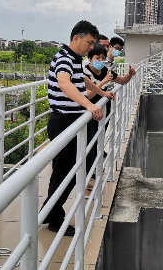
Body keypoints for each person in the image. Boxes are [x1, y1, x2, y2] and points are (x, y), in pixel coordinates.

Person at [41, 21, 114, 236]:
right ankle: (54, 218)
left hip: (70, 121)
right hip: (63, 121)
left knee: (68, 172)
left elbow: (81, 80)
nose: (91, 47)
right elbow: (64, 83)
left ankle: (49, 211)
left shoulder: (74, 59)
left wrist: (101, 94)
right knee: (65, 173)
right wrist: (89, 105)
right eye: (89, 43)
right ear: (76, 38)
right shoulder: (64, 58)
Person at [83, 44, 135, 179]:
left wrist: (129, 75)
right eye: (97, 57)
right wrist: (103, 82)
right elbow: (87, 96)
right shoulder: (85, 73)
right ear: (90, 58)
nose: (100, 60)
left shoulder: (107, 70)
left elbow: (122, 80)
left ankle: (94, 166)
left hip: (104, 111)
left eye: (102, 58)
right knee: (91, 140)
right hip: (89, 113)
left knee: (99, 138)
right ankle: (89, 170)